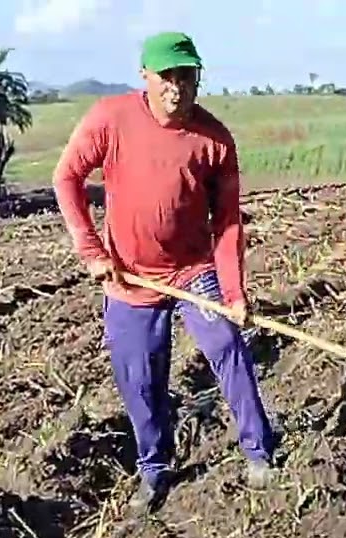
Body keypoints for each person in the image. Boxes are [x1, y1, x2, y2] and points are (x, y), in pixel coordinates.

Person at [52, 31, 278, 511]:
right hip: (130, 277)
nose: (178, 87)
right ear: (145, 78)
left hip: (193, 269)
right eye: (167, 77)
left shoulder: (214, 140)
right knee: (139, 376)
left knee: (227, 346)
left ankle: (259, 451)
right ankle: (154, 468)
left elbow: (229, 222)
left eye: (187, 76)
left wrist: (234, 292)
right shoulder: (110, 119)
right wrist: (92, 250)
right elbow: (67, 177)